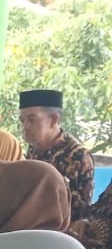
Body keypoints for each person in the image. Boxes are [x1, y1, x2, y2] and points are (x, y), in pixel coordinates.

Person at [19, 89, 94, 219]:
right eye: (22, 120)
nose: (25, 127)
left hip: (60, 233)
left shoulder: (78, 156)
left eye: (32, 120)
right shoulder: (34, 148)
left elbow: (80, 214)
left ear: (53, 120)